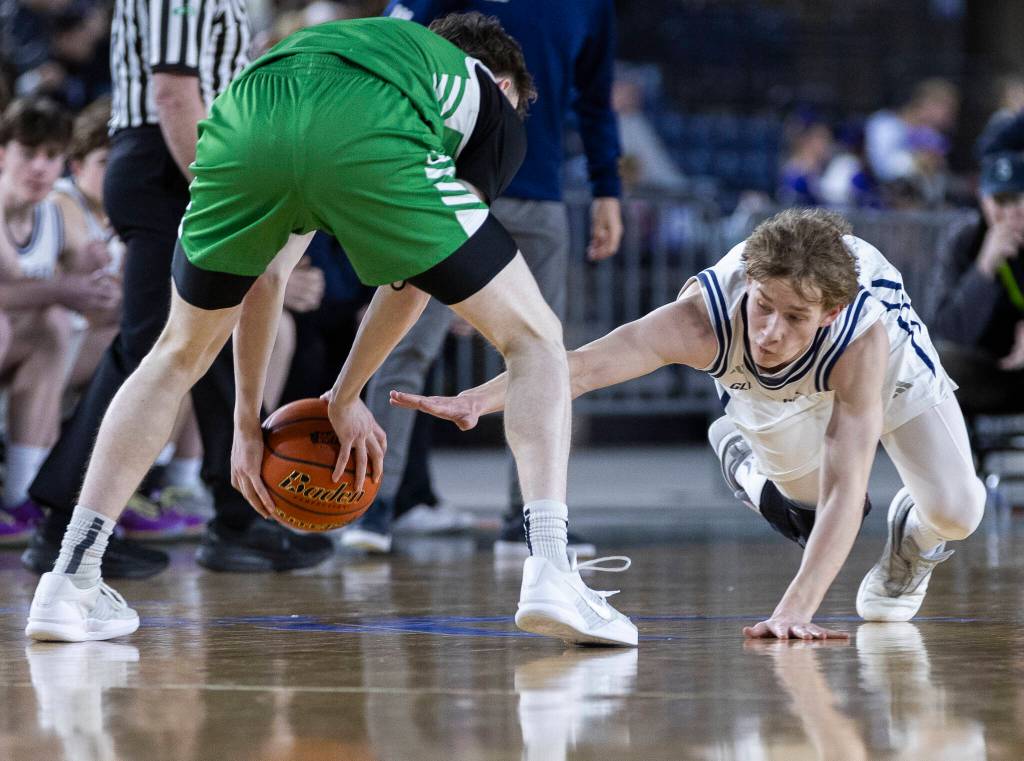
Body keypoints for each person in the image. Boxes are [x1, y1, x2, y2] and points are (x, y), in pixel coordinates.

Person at [25, 14, 638, 648]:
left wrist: (245, 423)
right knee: (535, 338)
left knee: (174, 353)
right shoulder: (484, 93)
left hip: (246, 114)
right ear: (508, 86)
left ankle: (68, 577)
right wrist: (344, 398)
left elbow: (267, 279)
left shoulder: (363, 43)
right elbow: (413, 277)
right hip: (363, 126)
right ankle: (549, 567)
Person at [394, 208, 986, 638]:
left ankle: (916, 539)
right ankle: (744, 461)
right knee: (813, 519)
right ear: (749, 285)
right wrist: (481, 397)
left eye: (794, 317)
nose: (771, 331)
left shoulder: (865, 338)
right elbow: (579, 369)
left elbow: (849, 480)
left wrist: (794, 612)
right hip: (767, 393)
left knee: (960, 509)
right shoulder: (700, 320)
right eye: (762, 307)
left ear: (829, 314)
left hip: (891, 369)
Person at [21, 0, 335, 580]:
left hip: (180, 159)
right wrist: (219, 190)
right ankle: (66, 520)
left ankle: (239, 514)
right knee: (151, 350)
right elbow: (172, 94)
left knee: (202, 341)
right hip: (172, 162)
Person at [344, 0, 623, 555]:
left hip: (539, 197)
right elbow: (389, 52)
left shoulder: (591, 6)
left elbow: (594, 99)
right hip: (442, 185)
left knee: (542, 353)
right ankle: (370, 506)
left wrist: (606, 187)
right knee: (403, 348)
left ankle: (530, 519)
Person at [0, 95, 120, 544]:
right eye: (28, 153)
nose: (39, 168)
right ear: (3, 155)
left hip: (22, 353)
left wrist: (99, 278)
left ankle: (23, 496)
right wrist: (63, 287)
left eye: (50, 156)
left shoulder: (53, 214)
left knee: (115, 337)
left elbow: (97, 308)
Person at [929, 144, 1024, 417]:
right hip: (986, 368)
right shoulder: (964, 240)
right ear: (984, 201)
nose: (1012, 212)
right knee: (940, 362)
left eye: (1019, 199)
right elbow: (947, 329)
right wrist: (984, 267)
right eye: (1001, 201)